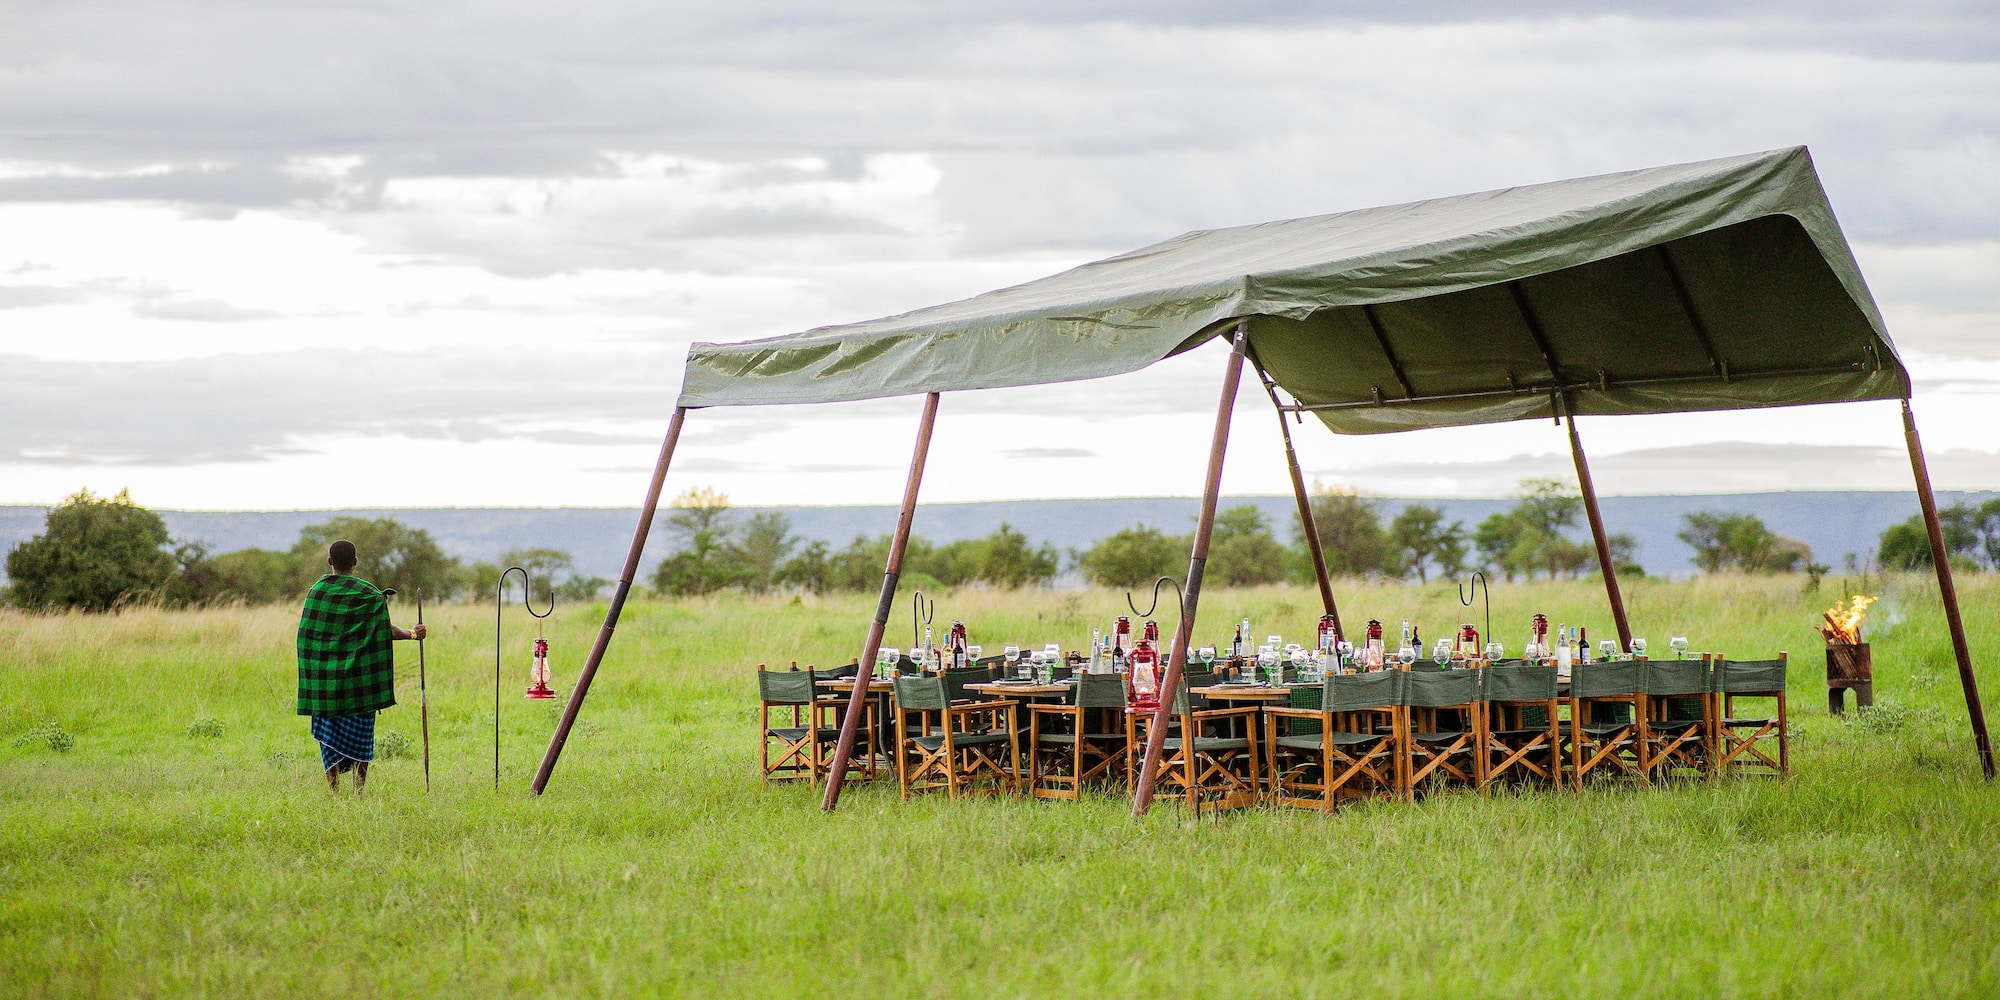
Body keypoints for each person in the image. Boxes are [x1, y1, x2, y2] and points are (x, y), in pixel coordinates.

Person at [297, 539, 425, 792]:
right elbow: (385, 631)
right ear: (355, 562)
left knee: (329, 736)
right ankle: (359, 791)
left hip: (327, 687)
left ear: (330, 562)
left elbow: (308, 637)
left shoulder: (317, 592)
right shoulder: (369, 594)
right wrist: (412, 633)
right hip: (360, 684)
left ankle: (333, 790)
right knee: (361, 737)